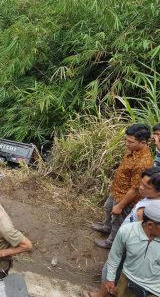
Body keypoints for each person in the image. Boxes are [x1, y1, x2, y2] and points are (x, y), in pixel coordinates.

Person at [82, 167, 160, 297]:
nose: (140, 187)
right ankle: (115, 290)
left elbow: (142, 237)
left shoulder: (149, 212)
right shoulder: (150, 200)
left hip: (129, 245)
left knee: (112, 268)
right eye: (141, 183)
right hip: (128, 243)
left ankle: (101, 294)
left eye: (146, 186)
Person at [91, 124, 153, 249]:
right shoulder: (133, 149)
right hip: (116, 190)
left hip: (125, 198)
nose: (127, 143)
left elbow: (135, 189)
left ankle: (111, 241)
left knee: (117, 221)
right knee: (108, 208)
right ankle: (105, 227)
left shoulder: (143, 163)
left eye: (130, 141)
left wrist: (120, 205)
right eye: (126, 139)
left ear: (143, 143)